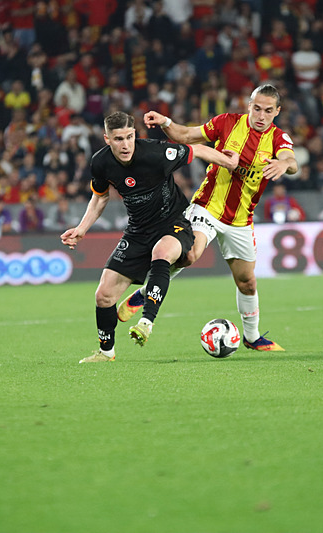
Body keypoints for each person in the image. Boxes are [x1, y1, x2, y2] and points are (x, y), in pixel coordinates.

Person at [121, 84, 298, 352]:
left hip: (241, 219)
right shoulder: (227, 123)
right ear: (249, 105)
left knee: (247, 282)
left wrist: (284, 163)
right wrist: (166, 121)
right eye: (257, 108)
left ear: (277, 112)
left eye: (268, 111)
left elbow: (290, 159)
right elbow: (186, 135)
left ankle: (251, 337)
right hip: (207, 207)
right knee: (190, 254)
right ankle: (146, 293)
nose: (261, 115)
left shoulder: (277, 139)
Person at [61, 111, 238, 363]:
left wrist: (228, 163)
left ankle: (146, 322)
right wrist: (81, 229)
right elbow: (100, 196)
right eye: (119, 139)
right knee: (104, 295)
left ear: (136, 134)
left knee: (162, 253)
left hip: (173, 223)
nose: (125, 145)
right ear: (107, 139)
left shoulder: (156, 153)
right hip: (137, 231)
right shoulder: (100, 163)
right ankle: (106, 353)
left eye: (130, 137)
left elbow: (195, 150)